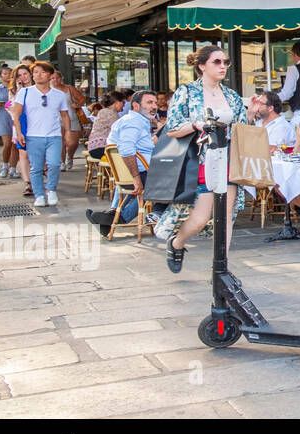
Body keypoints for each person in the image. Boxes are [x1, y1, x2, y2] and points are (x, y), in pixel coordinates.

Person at [163, 46, 249, 271]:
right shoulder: (187, 92)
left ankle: (221, 268)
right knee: (201, 218)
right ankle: (177, 243)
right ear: (202, 66)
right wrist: (195, 125)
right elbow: (172, 128)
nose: (223, 66)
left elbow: (242, 127)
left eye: (226, 62)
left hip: (229, 157)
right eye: (217, 62)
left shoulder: (232, 95)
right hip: (200, 159)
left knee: (227, 215)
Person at [84, 90, 158, 235]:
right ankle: (120, 218)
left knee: (156, 183)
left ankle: (111, 216)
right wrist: (136, 178)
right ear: (136, 106)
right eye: (149, 103)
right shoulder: (133, 123)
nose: (154, 106)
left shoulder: (131, 121)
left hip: (126, 173)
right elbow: (126, 149)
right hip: (140, 172)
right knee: (170, 184)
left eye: (155, 103)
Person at [10, 60, 71, 207]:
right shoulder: (25, 92)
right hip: (33, 136)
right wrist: (19, 133)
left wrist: (68, 132)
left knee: (54, 164)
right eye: (35, 72)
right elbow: (16, 114)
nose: (38, 75)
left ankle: (51, 190)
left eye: (42, 72)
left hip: (54, 135)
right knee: (36, 167)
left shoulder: (59, 95)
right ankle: (39, 195)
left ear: (50, 75)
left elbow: (64, 115)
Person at [50, 70, 86, 170]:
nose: (55, 80)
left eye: (57, 78)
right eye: (52, 78)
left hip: (71, 117)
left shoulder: (69, 88)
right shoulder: (48, 90)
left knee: (72, 142)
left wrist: (77, 105)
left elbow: (82, 98)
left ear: (61, 78)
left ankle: (70, 157)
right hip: (55, 119)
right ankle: (61, 162)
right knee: (60, 142)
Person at [6, 65, 33, 193]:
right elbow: (9, 105)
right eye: (19, 75)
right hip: (21, 123)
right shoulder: (14, 90)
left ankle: (39, 175)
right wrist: (18, 90)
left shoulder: (39, 87)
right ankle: (28, 183)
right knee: (24, 153)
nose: (23, 77)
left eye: (25, 74)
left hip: (37, 124)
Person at [86, 91, 125, 159]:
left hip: (94, 147)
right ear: (116, 102)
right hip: (102, 148)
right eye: (123, 102)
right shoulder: (111, 114)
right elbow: (120, 132)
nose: (124, 105)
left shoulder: (104, 111)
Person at [0, 65, 11, 179]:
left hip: (15, 117)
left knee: (16, 145)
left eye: (9, 73)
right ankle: (5, 166)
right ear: (1, 76)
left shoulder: (16, 87)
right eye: (5, 73)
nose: (8, 75)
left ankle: (13, 168)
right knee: (7, 144)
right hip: (3, 117)